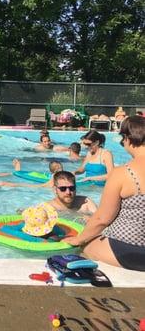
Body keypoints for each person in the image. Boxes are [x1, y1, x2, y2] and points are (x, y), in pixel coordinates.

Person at [62, 116, 145, 271]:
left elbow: (102, 219)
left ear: (127, 139)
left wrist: (79, 239)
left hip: (131, 251)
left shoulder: (122, 173)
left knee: (84, 245)